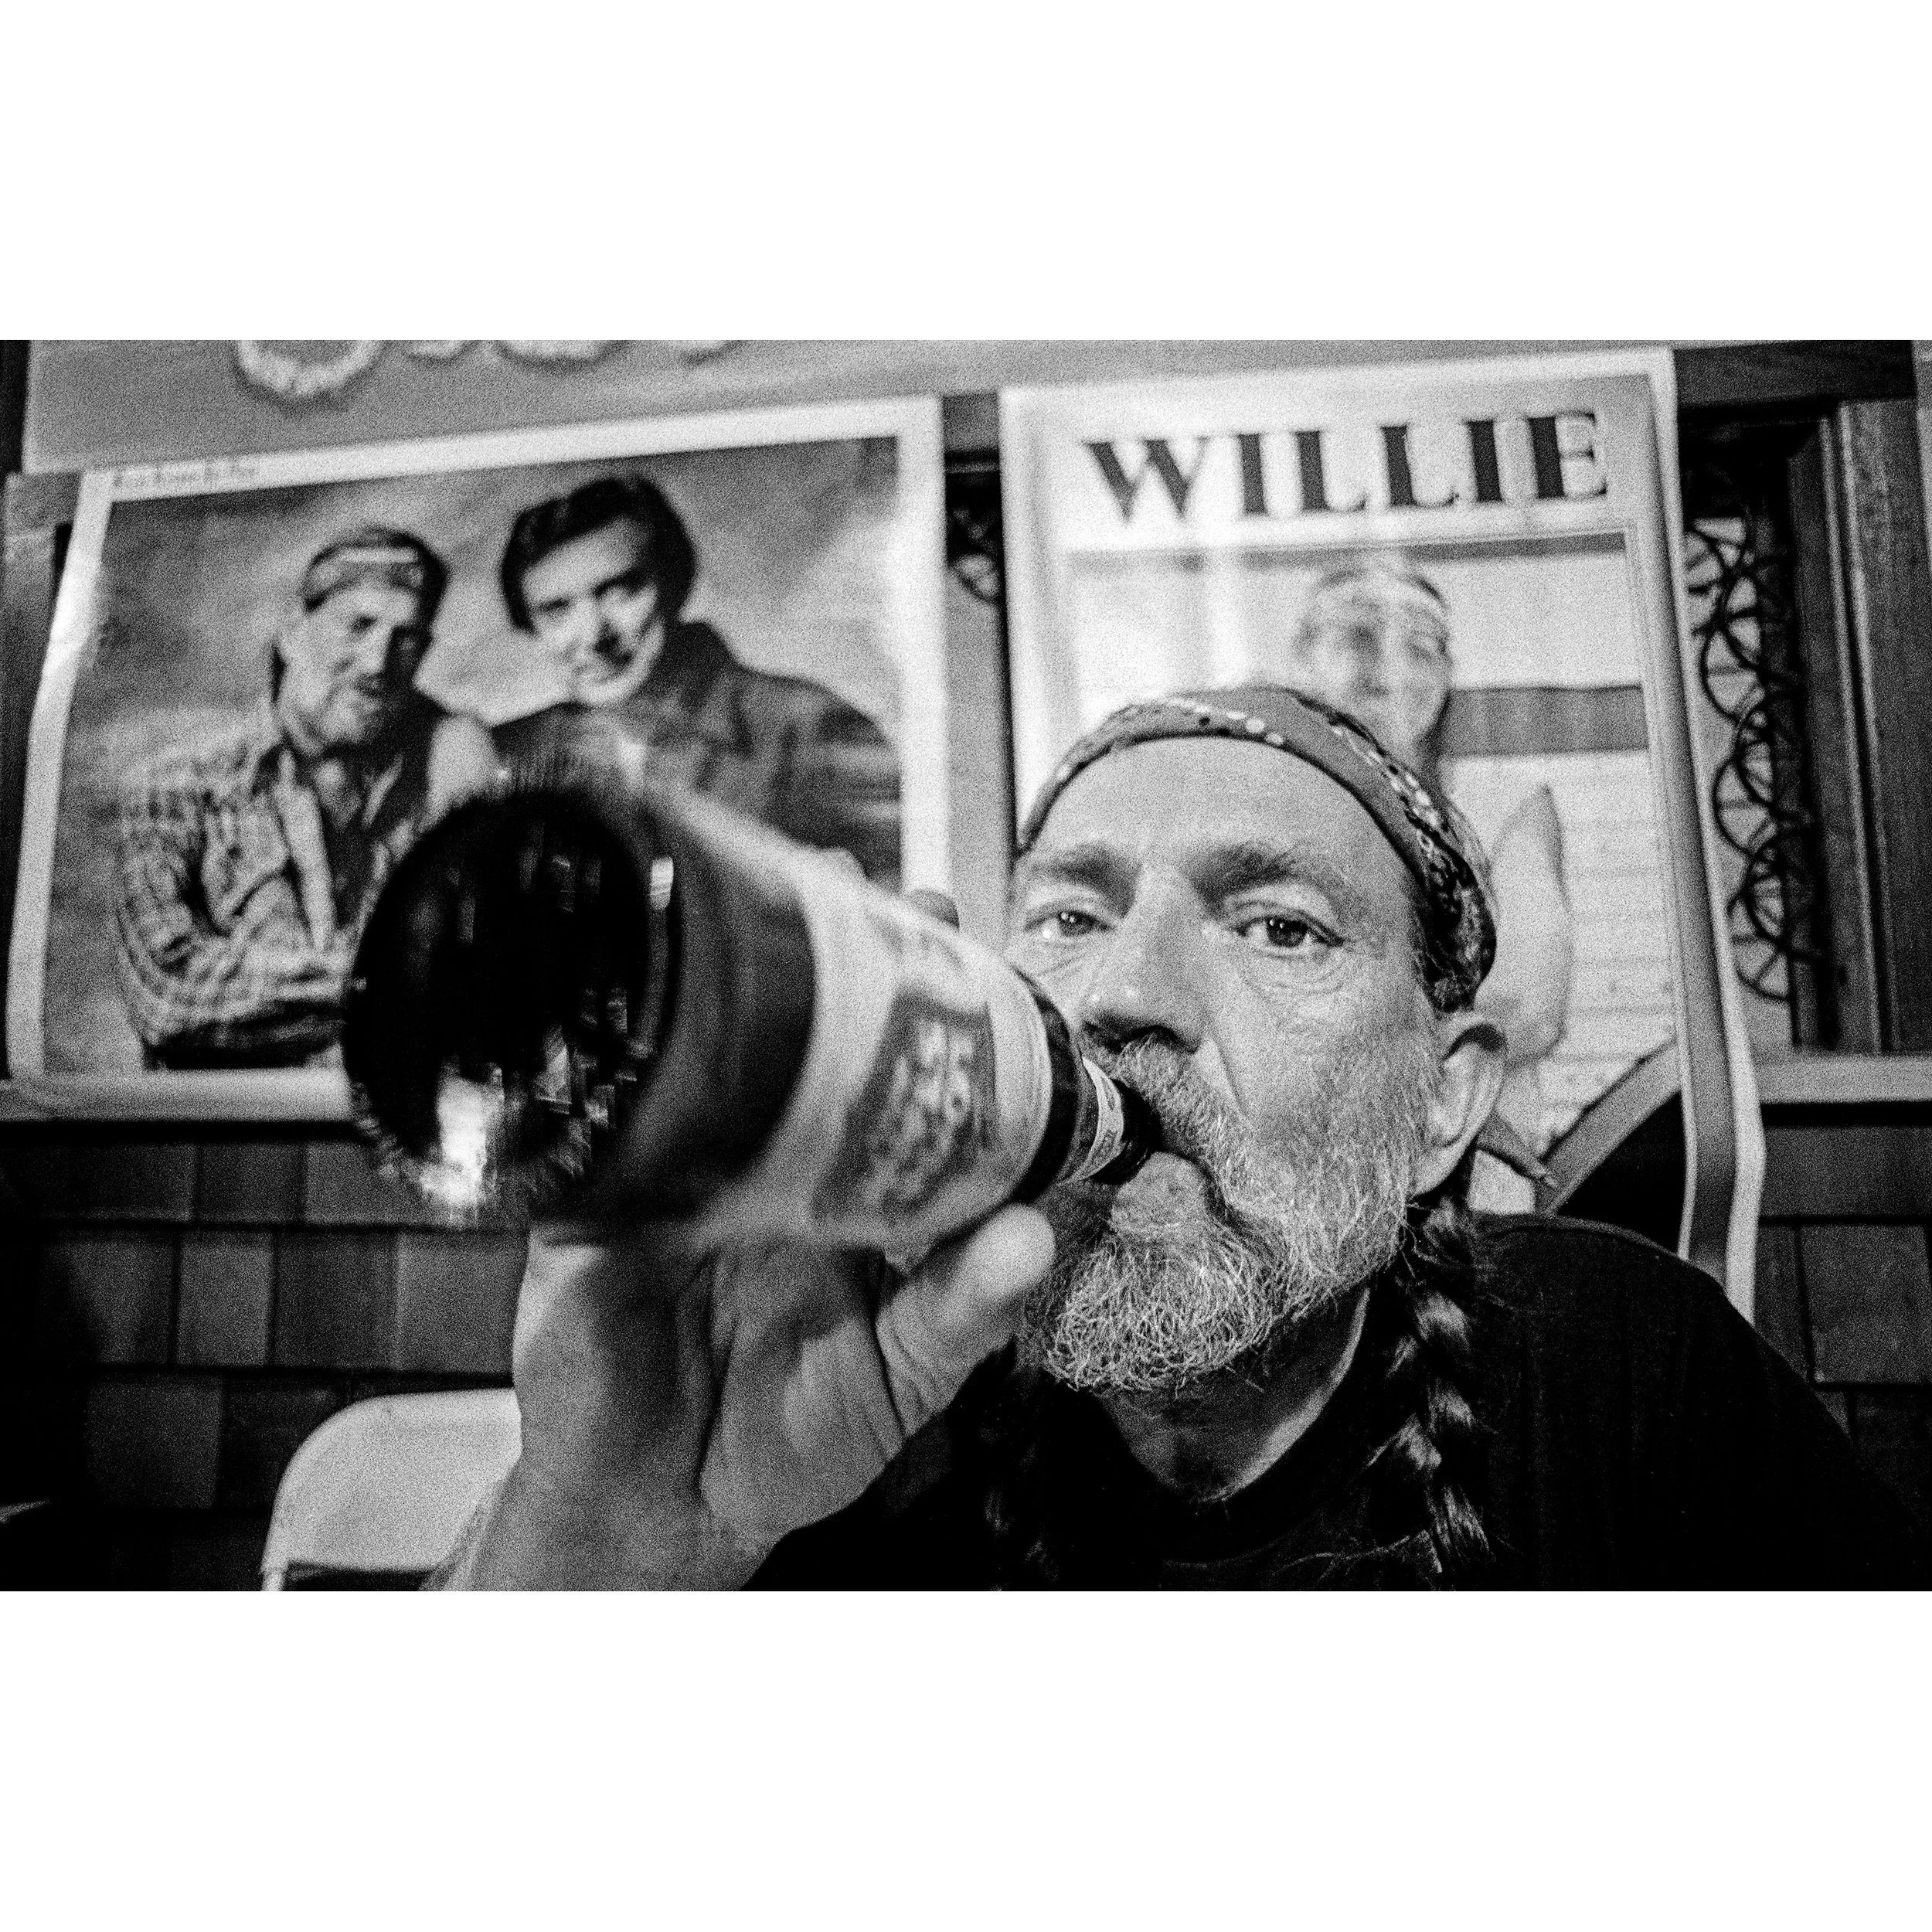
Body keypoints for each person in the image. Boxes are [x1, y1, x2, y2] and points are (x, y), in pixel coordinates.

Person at [434, 685, 1927, 1589]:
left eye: (1280, 926)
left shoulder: (1621, 1369)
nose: (1126, 999)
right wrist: (608, 1544)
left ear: (1446, 1102)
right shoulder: (840, 1398)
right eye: (1072, 917)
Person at [115, 527, 496, 1069]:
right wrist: (394, 980)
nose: (376, 663)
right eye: (358, 626)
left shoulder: (445, 776)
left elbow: (493, 980)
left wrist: (465, 748)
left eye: (406, 637)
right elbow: (169, 998)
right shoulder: (176, 787)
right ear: (293, 631)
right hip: (234, 1137)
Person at [1285, 560, 1574, 1172]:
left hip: (1467, 1172)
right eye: (1361, 638)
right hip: (1296, 1168)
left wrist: (1350, 1074)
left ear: (1446, 676)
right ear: (1303, 661)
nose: (1390, 669)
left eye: (1419, 647)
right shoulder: (1264, 813)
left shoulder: (1505, 806)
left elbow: (1531, 1010)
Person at [492, 474, 902, 885]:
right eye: (556, 611)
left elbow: (912, 904)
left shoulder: (803, 723)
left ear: (672, 581)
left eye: (620, 591)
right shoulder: (510, 756)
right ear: (529, 626)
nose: (596, 635)